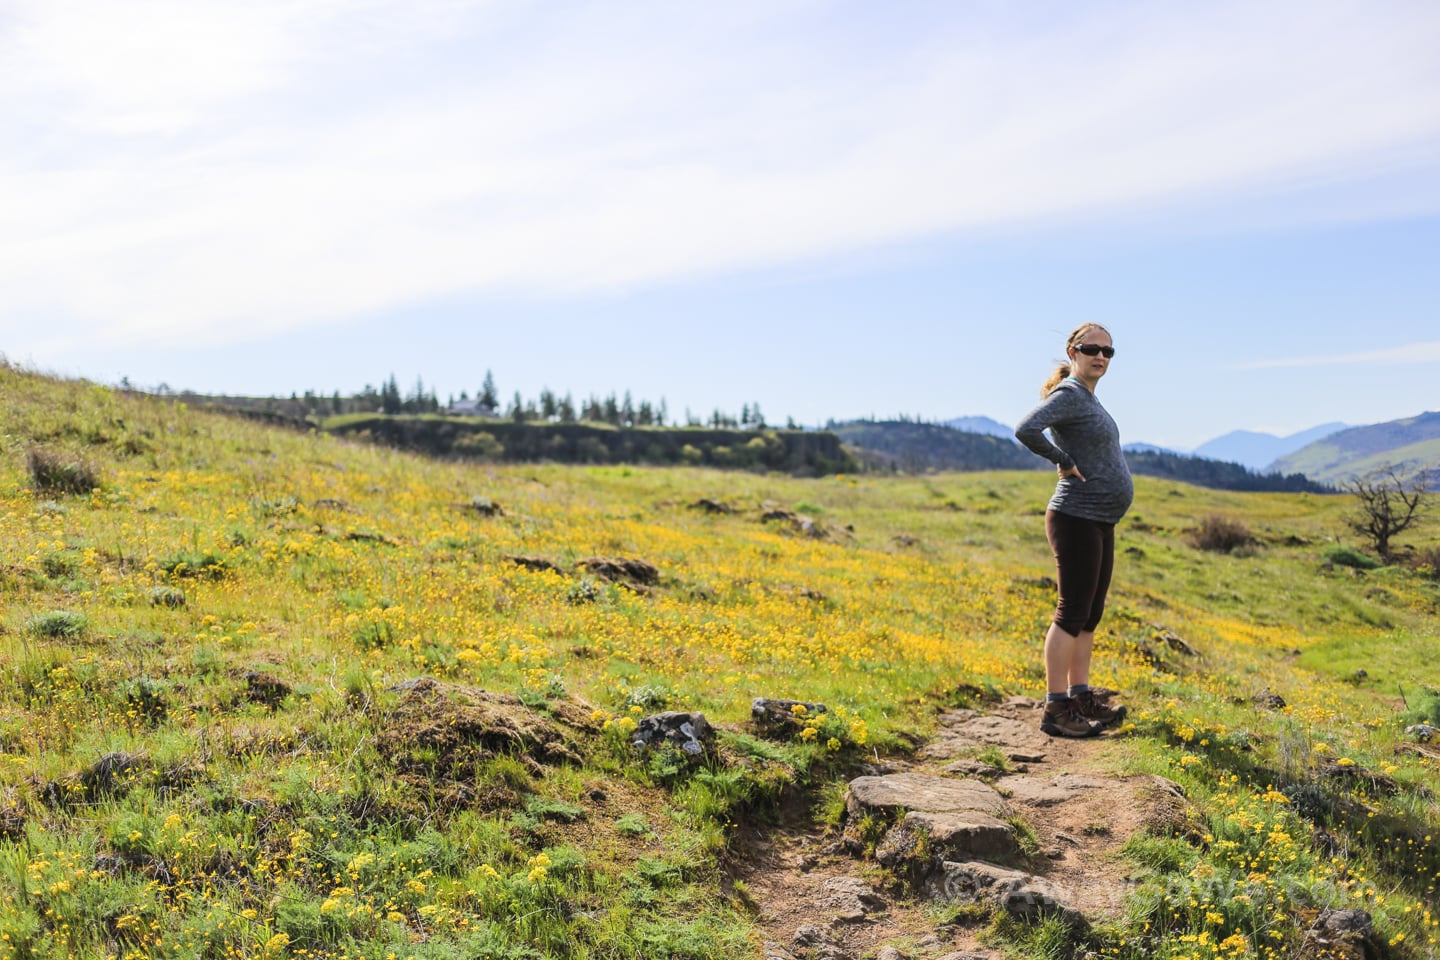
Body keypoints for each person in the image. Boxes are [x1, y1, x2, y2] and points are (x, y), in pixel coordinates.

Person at [1014, 324, 1133, 738]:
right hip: (1076, 516)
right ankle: (1056, 708)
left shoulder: (1088, 399)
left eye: (1108, 352)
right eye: (1091, 349)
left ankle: (1081, 698)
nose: (1100, 356)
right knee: (1070, 614)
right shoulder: (1069, 394)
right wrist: (1062, 459)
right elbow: (1026, 428)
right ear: (1073, 352)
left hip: (1100, 518)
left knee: (1089, 615)